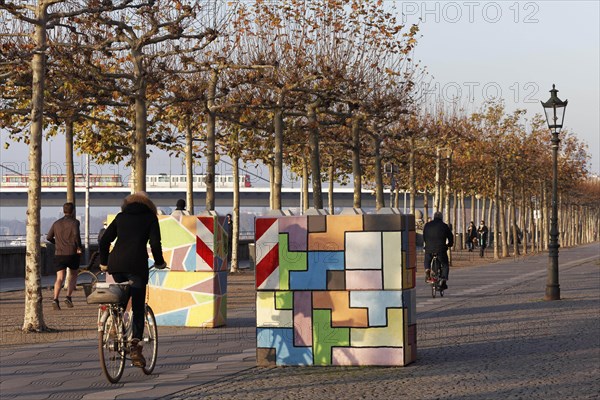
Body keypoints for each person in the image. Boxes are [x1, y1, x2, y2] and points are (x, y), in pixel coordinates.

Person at [99, 192, 167, 368]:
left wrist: (104, 262)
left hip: (116, 264)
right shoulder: (150, 218)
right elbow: (155, 243)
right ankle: (135, 346)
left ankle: (114, 326)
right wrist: (159, 262)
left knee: (121, 298)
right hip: (137, 266)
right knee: (137, 306)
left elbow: (104, 240)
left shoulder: (121, 217)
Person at [46, 202, 82, 310]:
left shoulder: (56, 223)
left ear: (63, 210)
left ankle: (55, 299)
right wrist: (79, 247)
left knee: (60, 278)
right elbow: (76, 235)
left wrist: (56, 243)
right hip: (72, 253)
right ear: (73, 211)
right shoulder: (75, 222)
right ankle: (68, 297)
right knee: (74, 274)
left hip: (59, 253)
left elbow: (48, 237)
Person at [423, 211, 453, 290]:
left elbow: (424, 236)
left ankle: (427, 270)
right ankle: (444, 279)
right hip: (441, 249)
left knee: (427, 260)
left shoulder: (427, 225)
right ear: (441, 217)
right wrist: (450, 244)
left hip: (429, 248)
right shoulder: (444, 226)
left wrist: (427, 244)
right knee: (445, 264)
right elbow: (450, 236)